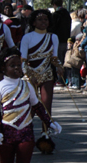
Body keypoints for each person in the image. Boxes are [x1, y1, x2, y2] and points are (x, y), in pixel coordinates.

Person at [20, 9, 63, 152]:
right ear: (33, 22)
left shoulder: (53, 37)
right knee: (30, 107)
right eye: (39, 19)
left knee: (46, 106)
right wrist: (28, 74)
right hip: (30, 75)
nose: (43, 22)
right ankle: (25, 134)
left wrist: (59, 66)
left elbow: (54, 58)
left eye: (45, 19)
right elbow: (23, 60)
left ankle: (45, 135)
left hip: (46, 74)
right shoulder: (27, 37)